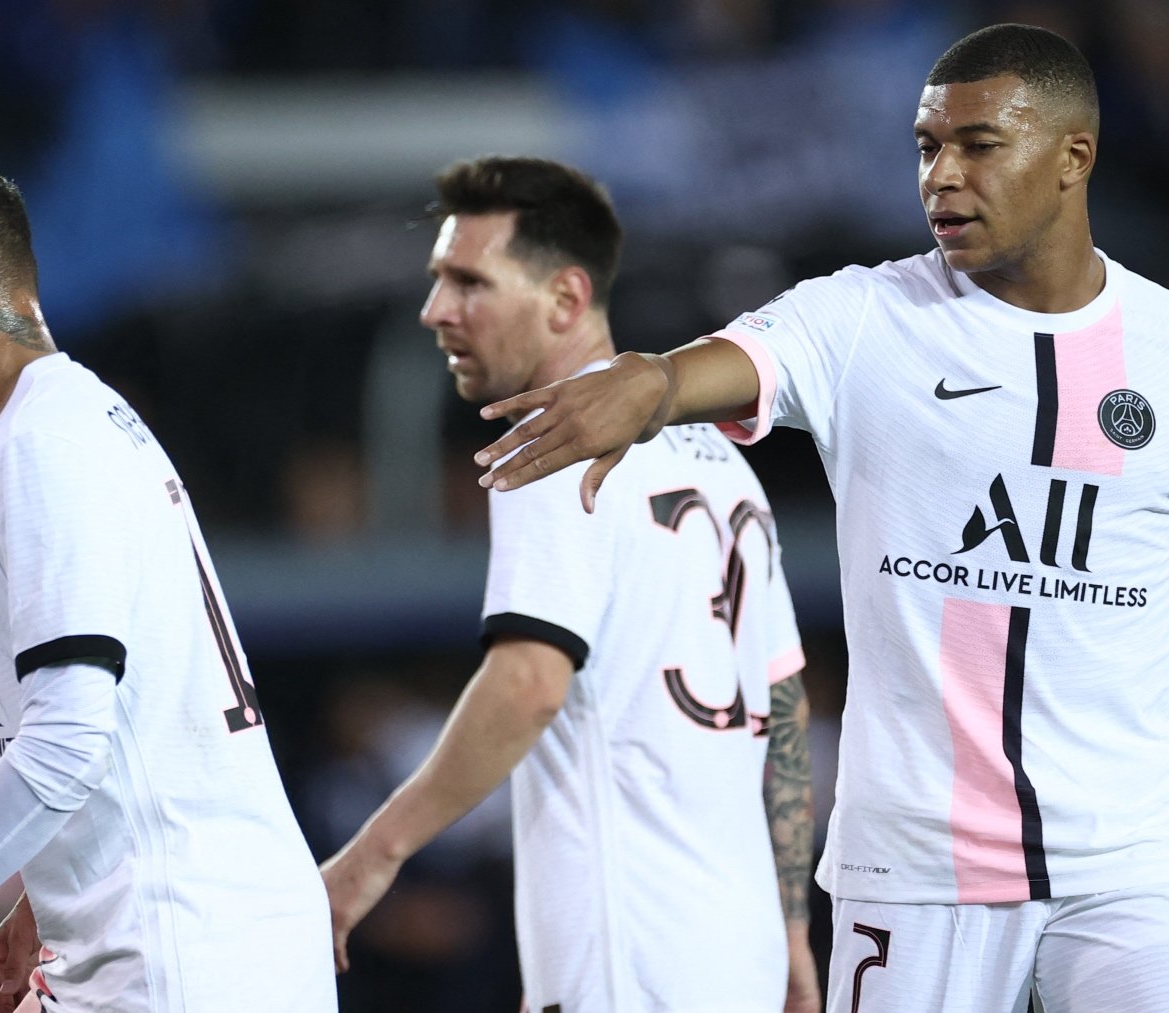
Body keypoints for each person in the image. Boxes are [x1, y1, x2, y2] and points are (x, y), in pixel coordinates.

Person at [472, 25, 1169, 1013]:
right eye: (927, 146)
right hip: (919, 871)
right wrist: (653, 381)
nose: (942, 175)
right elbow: (734, 361)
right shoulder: (861, 320)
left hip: (1136, 861)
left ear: (1075, 156)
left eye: (979, 145)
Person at [0, 159, 336, 1013]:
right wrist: (40, 897)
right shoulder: (88, 417)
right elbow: (129, 728)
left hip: (177, 953)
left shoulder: (40, 445)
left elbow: (65, 739)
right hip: (211, 935)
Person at [319, 156, 821, 1013]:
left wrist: (370, 859)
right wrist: (792, 933)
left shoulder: (555, 440)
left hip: (632, 960)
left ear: (564, 298)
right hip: (734, 956)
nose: (435, 309)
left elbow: (528, 683)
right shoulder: (722, 461)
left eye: (468, 281)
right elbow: (783, 711)